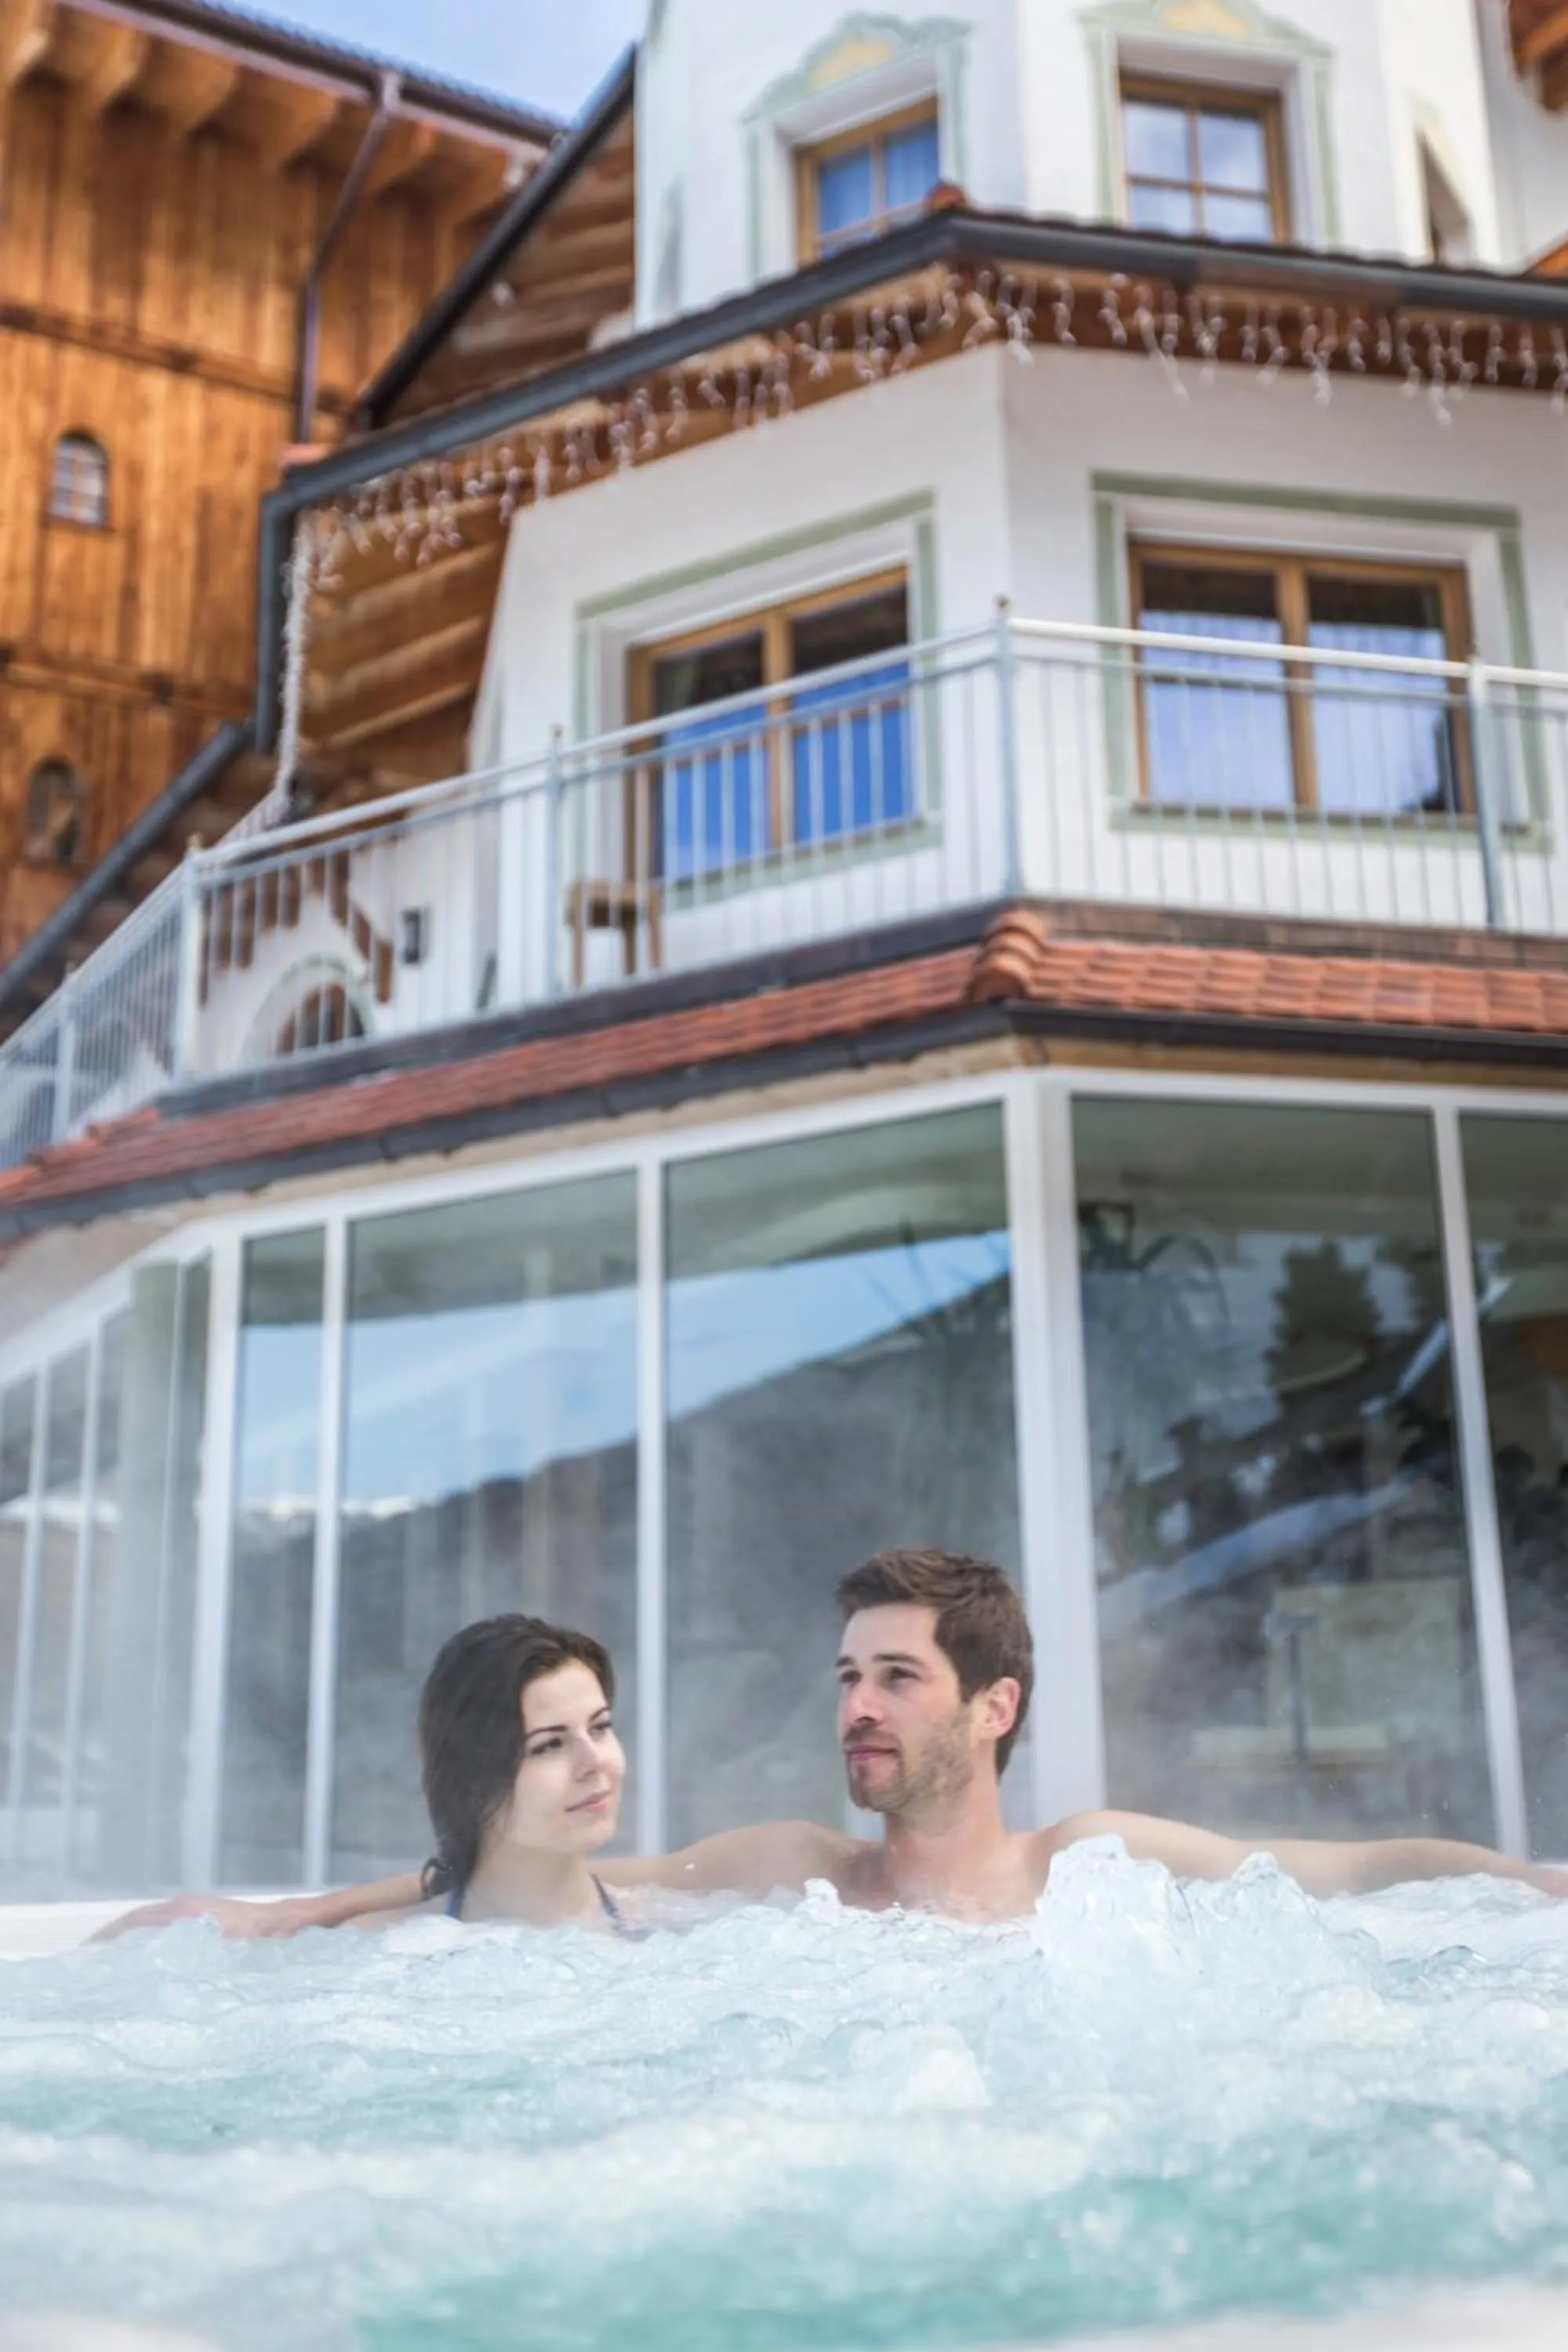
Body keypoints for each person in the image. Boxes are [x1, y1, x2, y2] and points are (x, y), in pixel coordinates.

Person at [100, 1549, 1568, 1940]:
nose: (857, 1705)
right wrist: (289, 1916)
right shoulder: (794, 1876)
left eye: (899, 1679)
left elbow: (1356, 1868)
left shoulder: (1095, 1870)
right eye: (847, 1676)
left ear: (994, 1708)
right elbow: (529, 1882)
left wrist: (1536, 1887)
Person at [394, 1613, 637, 1933]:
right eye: (550, 1745)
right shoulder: (389, 1956)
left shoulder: (672, 1929)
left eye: (600, 1727)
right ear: (470, 1781)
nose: (594, 1761)